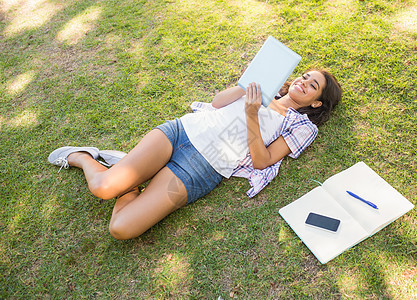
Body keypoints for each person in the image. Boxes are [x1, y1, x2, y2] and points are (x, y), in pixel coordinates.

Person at [48, 69, 342, 240]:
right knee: (102, 188)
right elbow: (217, 103)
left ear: (317, 103)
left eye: (312, 86)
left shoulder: (301, 126)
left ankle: (132, 175)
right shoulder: (266, 87)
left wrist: (253, 114)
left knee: (122, 229)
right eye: (304, 76)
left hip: (201, 169)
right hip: (181, 133)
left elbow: (262, 161)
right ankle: (84, 157)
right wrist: (248, 85)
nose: (302, 83)